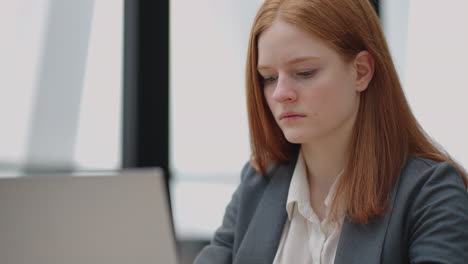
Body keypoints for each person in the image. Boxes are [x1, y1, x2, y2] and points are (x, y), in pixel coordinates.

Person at [194, 0, 468, 263]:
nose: (280, 93)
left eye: (304, 72)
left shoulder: (431, 192)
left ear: (361, 72)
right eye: (268, 77)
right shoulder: (258, 181)